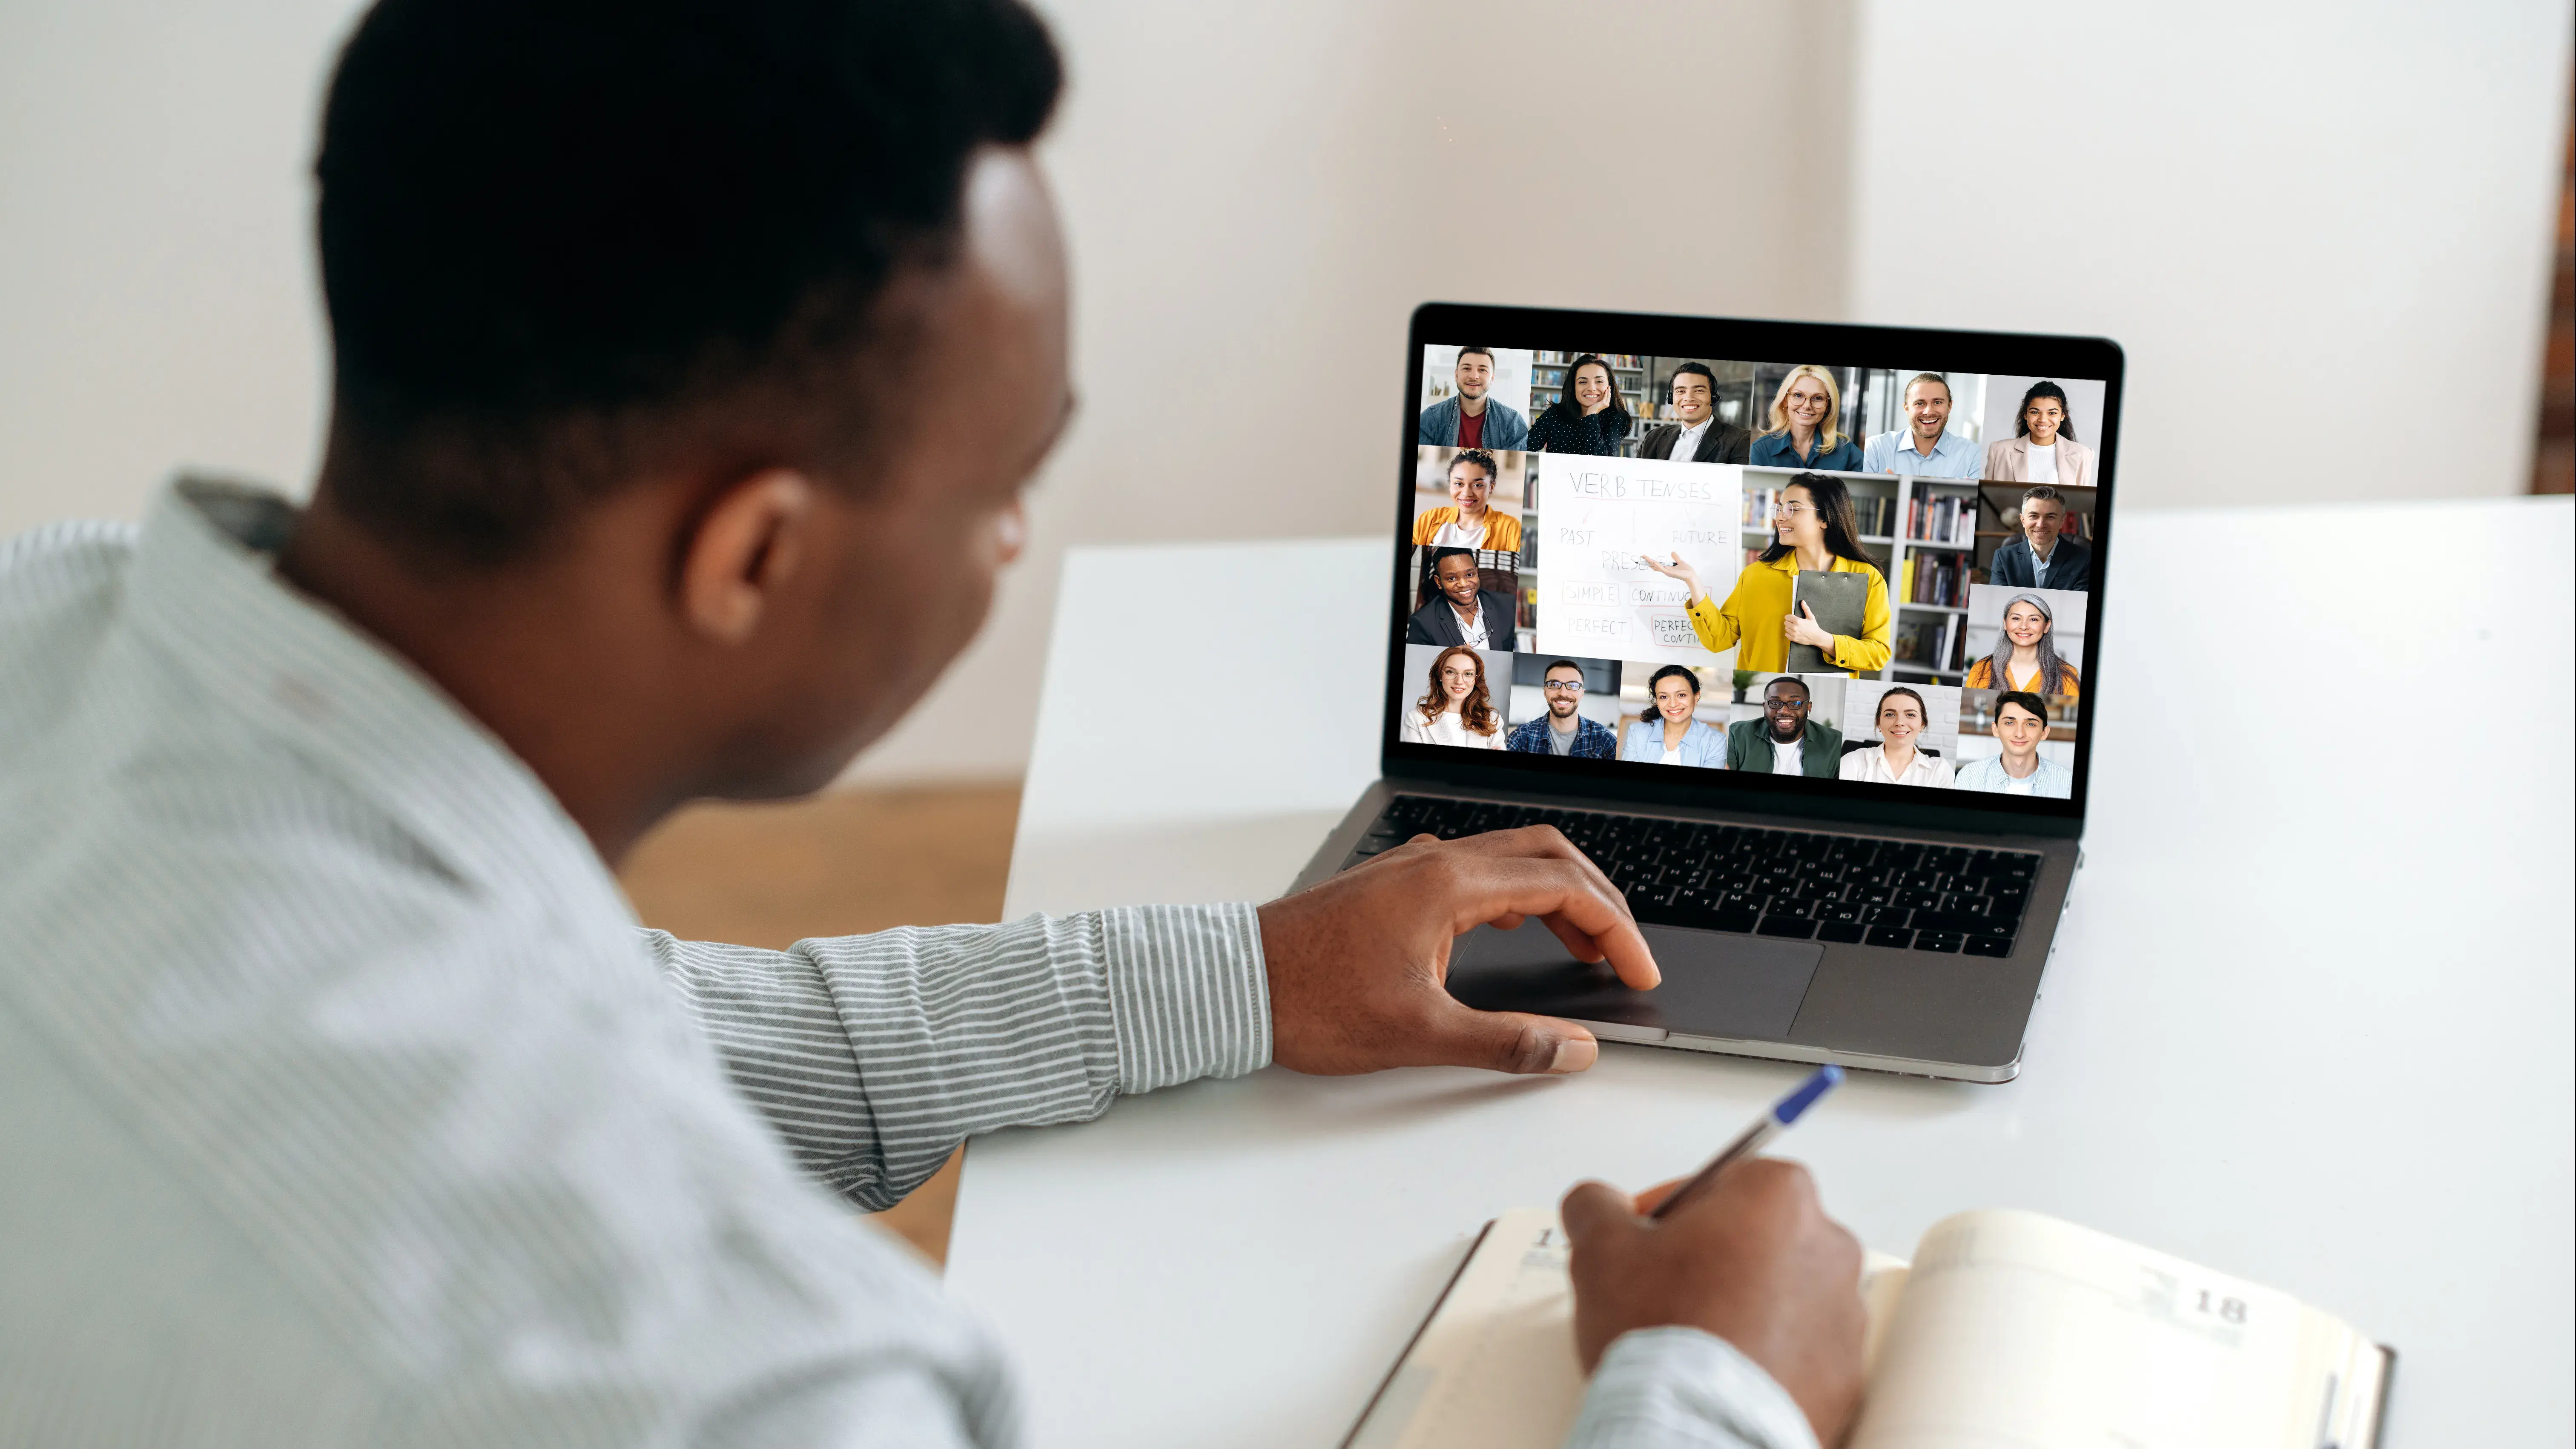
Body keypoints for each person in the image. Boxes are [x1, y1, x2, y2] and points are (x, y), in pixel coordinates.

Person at [0, 5, 1879, 1446]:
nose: (1005, 541)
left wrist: (1235, 972)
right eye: (1004, 482)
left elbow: (602, 1022)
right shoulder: (746, 1381)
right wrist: (1711, 1383)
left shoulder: (48, 630)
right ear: (751, 552)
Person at [1639, 472, 1893, 674]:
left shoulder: (1867, 579)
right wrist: (1693, 582)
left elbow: (1878, 654)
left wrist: (1823, 640)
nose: (1780, 518)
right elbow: (1720, 640)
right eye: (1780, 509)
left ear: (1825, 518)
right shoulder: (1757, 575)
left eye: (1792, 509)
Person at [1860, 372, 1981, 478]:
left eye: (1937, 402)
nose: (1929, 412)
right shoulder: (1875, 449)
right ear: (1907, 409)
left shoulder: (1973, 455)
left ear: (1950, 406)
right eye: (1920, 403)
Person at [1954, 691, 2074, 798]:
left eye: (2031, 724)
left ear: (2044, 732)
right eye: (2010, 723)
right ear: (1995, 729)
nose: (2020, 734)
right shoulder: (1969, 777)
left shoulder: (2067, 782)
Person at [1745, 365, 1864, 471]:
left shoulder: (1846, 449)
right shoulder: (1762, 449)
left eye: (1818, 398)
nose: (1807, 406)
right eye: (1798, 395)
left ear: (1828, 406)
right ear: (1785, 400)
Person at [1962, 591, 2081, 697]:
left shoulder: (2068, 675)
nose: (2024, 627)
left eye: (2034, 619)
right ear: (2005, 623)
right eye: (2016, 619)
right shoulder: (1980, 670)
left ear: (2047, 626)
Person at [1982, 379, 2097, 487]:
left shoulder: (2083, 454)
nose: (2043, 419)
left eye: (2052, 413)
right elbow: (1986, 496)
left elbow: (2084, 502)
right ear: (2026, 415)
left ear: (2062, 416)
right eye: (2035, 412)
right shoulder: (1999, 450)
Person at [1417, 344, 1531, 450]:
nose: (1474, 376)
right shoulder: (1431, 419)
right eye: (1467, 368)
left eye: (1482, 370)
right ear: (1456, 375)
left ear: (1492, 379)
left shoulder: (1513, 424)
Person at [1636, 361, 1754, 464]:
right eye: (1681, 391)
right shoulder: (1653, 438)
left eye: (1699, 390)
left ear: (1713, 397)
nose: (1689, 398)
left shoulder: (1740, 440)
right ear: (1672, 398)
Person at [1408, 449, 1523, 553]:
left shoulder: (1510, 528)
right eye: (1459, 484)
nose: (1467, 493)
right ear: (1450, 485)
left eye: (1478, 485)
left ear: (1491, 487)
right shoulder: (1429, 520)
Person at [1724, 676, 1842, 776]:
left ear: (1809, 707)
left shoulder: (1834, 742)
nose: (1784, 711)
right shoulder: (1737, 734)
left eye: (1795, 703)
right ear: (1765, 707)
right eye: (1775, 703)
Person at [1838, 687, 1955, 787]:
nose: (1900, 722)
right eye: (1890, 715)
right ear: (1879, 723)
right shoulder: (1853, 762)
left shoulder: (1940, 771)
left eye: (1910, 715)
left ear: (1922, 725)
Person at [1406, 546, 1518, 649]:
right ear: (1439, 582)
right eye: (1452, 579)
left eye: (1470, 575)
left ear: (1477, 573)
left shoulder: (1509, 605)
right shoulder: (1423, 623)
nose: (1464, 584)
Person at [1986, 484, 2092, 590]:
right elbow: (1999, 602)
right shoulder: (2003, 558)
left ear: (2062, 522)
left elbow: (2078, 605)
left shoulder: (2085, 559)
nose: (2041, 525)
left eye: (2050, 517)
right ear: (2023, 520)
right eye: (2034, 516)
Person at [1506, 659, 1619, 757]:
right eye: (1554, 685)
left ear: (1582, 694)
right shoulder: (1522, 736)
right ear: (1545, 692)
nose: (1563, 693)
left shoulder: (1602, 737)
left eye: (1573, 686)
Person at [1401, 645, 1506, 749]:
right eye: (1451, 672)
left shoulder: (1492, 720)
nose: (1459, 682)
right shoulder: (1416, 719)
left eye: (1468, 674)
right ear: (1440, 676)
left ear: (1476, 679)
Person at [1620, 665, 1727, 766]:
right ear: (1657, 701)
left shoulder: (1715, 741)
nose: (1673, 704)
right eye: (1664, 697)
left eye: (1681, 695)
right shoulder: (1637, 733)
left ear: (1696, 697)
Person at [1525, 353, 1631, 455]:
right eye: (1583, 382)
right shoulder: (1555, 414)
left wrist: (1591, 415)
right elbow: (1524, 447)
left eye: (1599, 381)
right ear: (1573, 388)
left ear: (1610, 387)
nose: (1591, 388)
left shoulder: (1617, 418)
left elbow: (1600, 462)